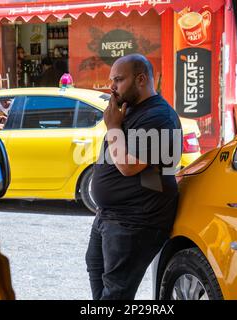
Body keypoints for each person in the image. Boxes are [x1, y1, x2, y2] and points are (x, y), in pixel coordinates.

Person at [85, 54, 183, 300]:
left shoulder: (159, 116)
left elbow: (128, 166)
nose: (112, 87)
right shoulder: (129, 111)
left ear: (141, 79)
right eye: (112, 80)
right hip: (109, 216)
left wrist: (113, 127)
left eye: (118, 80)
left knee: (116, 293)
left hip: (135, 221)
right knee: (97, 273)